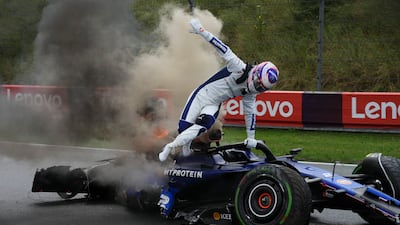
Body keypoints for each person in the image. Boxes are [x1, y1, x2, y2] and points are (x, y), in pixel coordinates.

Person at [159, 18, 279, 161]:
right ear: (256, 73)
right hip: (201, 95)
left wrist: (251, 138)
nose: (257, 88)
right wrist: (202, 31)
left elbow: (250, 115)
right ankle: (172, 149)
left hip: (214, 104)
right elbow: (221, 47)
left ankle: (186, 152)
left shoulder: (250, 93)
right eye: (258, 84)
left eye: (261, 88)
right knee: (183, 128)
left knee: (203, 127)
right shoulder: (238, 67)